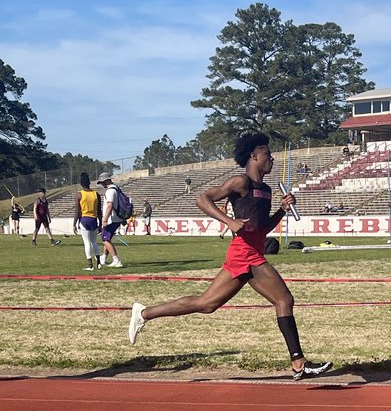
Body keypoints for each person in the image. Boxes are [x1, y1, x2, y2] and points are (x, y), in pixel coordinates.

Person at [128, 131, 332, 381]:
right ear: (253, 156)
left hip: (251, 252)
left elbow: (262, 228)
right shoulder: (240, 182)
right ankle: (299, 364)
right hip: (244, 254)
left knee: (207, 304)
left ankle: (144, 313)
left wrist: (281, 210)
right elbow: (202, 199)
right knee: (284, 300)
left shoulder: (266, 191)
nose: (272, 158)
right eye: (268, 154)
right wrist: (228, 220)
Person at [73, 172, 102, 270]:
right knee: (94, 242)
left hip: (84, 220)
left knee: (86, 242)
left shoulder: (79, 195)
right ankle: (98, 262)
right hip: (94, 220)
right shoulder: (96, 194)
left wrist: (74, 224)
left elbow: (77, 211)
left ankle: (90, 265)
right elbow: (99, 211)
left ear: (81, 183)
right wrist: (101, 223)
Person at [97, 173, 124, 268]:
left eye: (102, 182)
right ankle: (103, 257)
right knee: (107, 238)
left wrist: (104, 219)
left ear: (106, 181)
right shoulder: (116, 189)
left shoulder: (110, 191)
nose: (101, 184)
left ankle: (116, 260)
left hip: (112, 219)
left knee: (105, 239)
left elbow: (109, 206)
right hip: (116, 218)